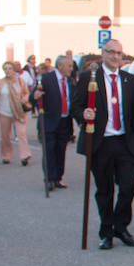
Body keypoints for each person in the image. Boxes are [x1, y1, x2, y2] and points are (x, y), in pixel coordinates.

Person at [74, 40, 134, 250]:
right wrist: (83, 114)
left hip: (124, 141)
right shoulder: (89, 78)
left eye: (119, 53)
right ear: (103, 54)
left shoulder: (130, 80)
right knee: (104, 190)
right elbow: (76, 106)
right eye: (111, 52)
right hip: (100, 142)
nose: (115, 57)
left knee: (128, 185)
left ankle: (121, 226)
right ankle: (106, 231)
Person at [35, 55, 76, 190]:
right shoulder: (46, 78)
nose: (71, 68)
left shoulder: (69, 80)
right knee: (49, 151)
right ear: (60, 66)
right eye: (69, 66)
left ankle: (58, 178)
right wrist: (35, 96)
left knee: (61, 150)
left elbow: (72, 100)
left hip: (65, 122)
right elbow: (34, 96)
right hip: (50, 121)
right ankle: (49, 179)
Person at [0, 61, 31, 166]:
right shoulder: (0, 83)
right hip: (4, 111)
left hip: (18, 111)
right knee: (5, 135)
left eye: (10, 68)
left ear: (14, 70)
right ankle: (6, 155)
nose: (8, 71)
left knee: (21, 133)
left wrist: (24, 99)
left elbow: (26, 93)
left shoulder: (20, 81)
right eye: (5, 68)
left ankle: (25, 155)